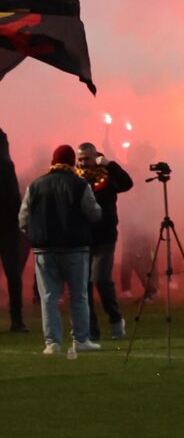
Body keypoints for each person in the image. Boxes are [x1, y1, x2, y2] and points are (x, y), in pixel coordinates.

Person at [20, 143, 101, 356]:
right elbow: (94, 213)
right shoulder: (80, 184)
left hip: (44, 250)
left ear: (53, 161)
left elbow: (23, 217)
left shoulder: (35, 185)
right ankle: (81, 340)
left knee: (48, 297)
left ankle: (52, 343)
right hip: (75, 249)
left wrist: (34, 235)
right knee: (79, 296)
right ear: (72, 161)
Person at [74, 144, 132, 340]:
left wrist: (111, 164)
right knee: (84, 285)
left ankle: (116, 319)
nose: (83, 163)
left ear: (96, 157)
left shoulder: (107, 175)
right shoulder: (75, 178)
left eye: (86, 158)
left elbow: (127, 183)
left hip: (105, 237)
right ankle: (92, 329)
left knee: (100, 279)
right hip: (83, 237)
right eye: (80, 159)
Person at [0, 127, 25, 334]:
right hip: (8, 226)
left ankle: (17, 319)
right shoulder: (7, 166)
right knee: (13, 274)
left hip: (7, 225)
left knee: (13, 274)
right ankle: (17, 319)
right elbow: (15, 199)